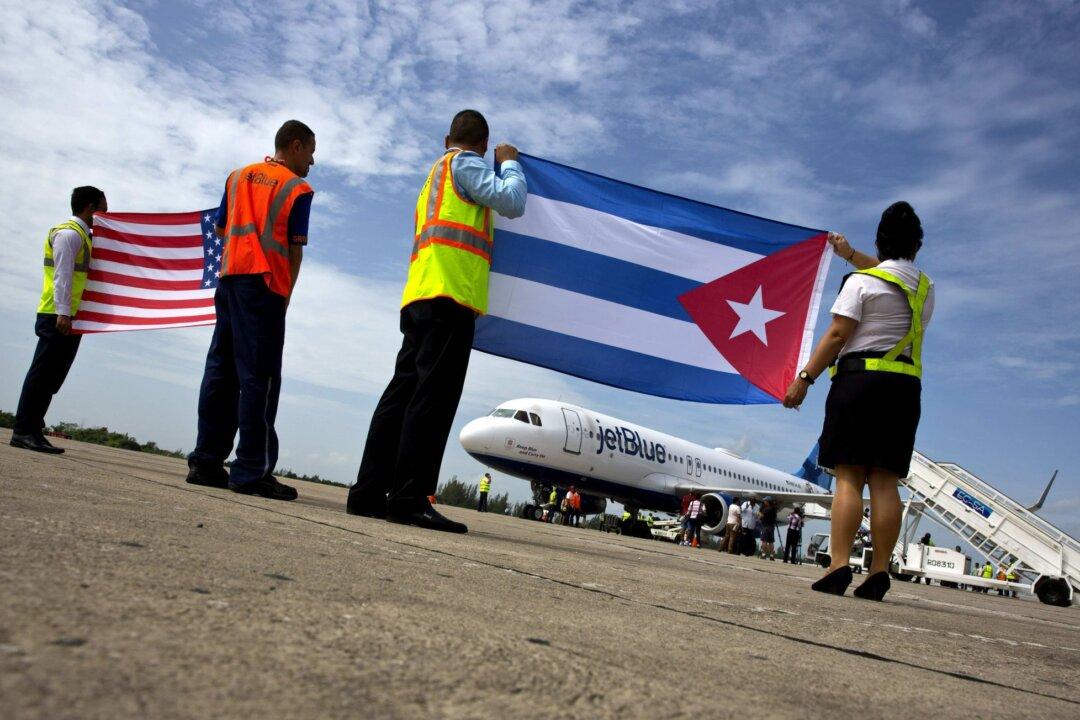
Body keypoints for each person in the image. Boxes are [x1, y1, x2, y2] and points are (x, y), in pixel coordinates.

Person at [347, 110, 526, 533]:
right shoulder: (465, 165)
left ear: (447, 137)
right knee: (433, 399)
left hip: (420, 294)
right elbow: (513, 202)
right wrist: (511, 163)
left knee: (400, 395)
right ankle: (409, 498)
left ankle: (368, 492)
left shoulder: (432, 177)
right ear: (483, 144)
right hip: (450, 295)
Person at [784, 202, 934, 602]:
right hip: (904, 389)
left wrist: (804, 379)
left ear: (879, 241)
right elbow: (890, 273)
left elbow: (837, 335)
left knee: (848, 476)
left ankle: (838, 565)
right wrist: (849, 254)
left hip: (860, 383)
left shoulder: (860, 284)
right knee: (885, 481)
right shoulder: (924, 290)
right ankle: (879, 570)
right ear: (917, 246)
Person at [185, 120, 316, 501]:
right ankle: (249, 469)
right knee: (259, 378)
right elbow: (294, 249)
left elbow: (221, 228)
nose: (312, 161)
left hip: (229, 279)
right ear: (294, 146)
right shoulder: (298, 188)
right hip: (265, 287)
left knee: (221, 370)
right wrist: (285, 295)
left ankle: (206, 461)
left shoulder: (237, 176)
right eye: (310, 151)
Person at [11, 187, 108, 454]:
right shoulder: (69, 234)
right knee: (42, 373)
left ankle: (33, 429)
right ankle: (23, 430)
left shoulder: (85, 237)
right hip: (57, 315)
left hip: (71, 317)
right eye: (102, 210)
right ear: (90, 208)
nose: (104, 216)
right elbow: (62, 277)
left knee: (53, 377)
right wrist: (64, 313)